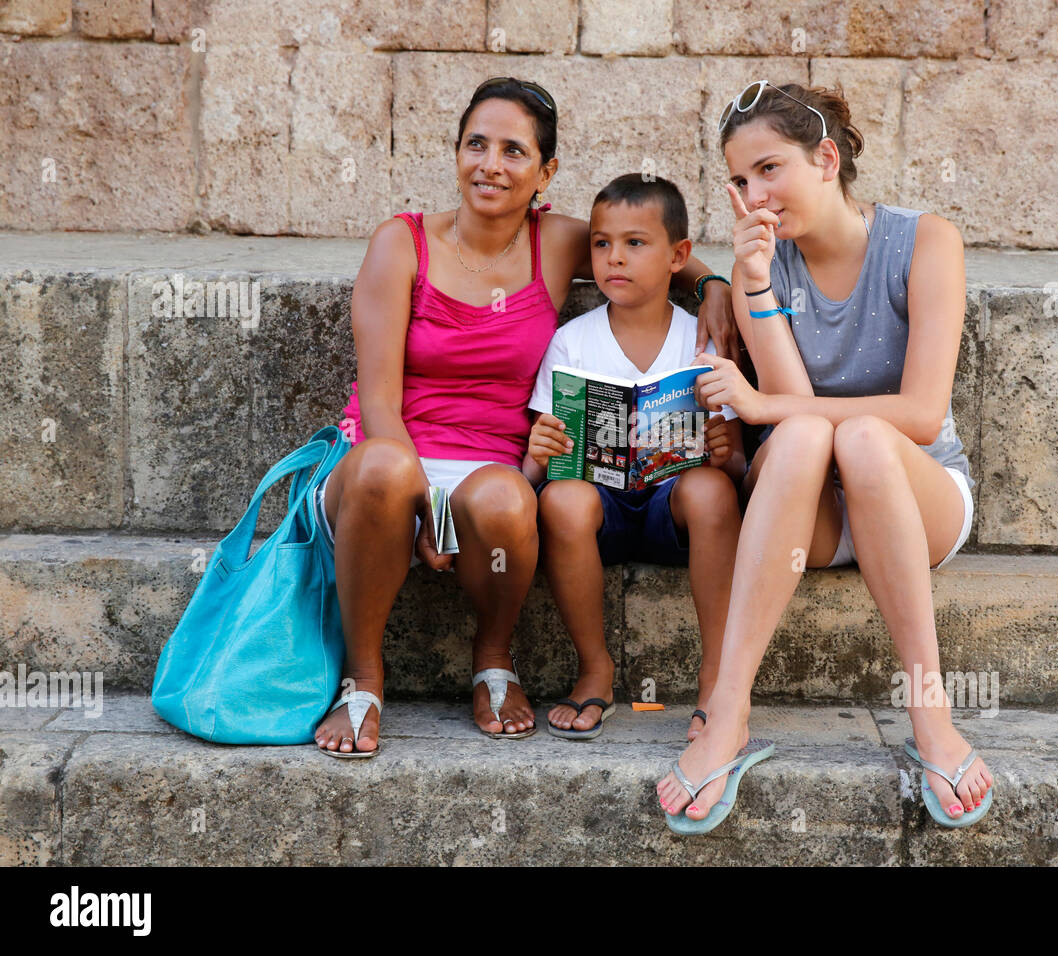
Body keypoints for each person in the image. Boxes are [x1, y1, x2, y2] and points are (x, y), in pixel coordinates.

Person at [311, 77, 739, 756]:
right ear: (457, 153)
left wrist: (713, 285)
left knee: (513, 499)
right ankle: (362, 678)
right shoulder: (403, 243)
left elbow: (656, 249)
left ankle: (493, 660)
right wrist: (429, 506)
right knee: (387, 467)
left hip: (493, 466)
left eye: (514, 151)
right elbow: (379, 401)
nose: (491, 164)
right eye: (476, 144)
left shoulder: (561, 242)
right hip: (389, 457)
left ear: (545, 172)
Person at [657, 81, 993, 827]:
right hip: (807, 510)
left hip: (915, 492)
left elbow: (920, 412)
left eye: (769, 170)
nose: (754, 199)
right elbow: (790, 412)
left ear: (826, 158)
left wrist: (770, 407)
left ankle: (930, 713)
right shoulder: (759, 268)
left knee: (867, 436)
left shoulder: (926, 242)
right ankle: (730, 711)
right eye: (740, 182)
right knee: (809, 433)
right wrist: (749, 286)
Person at [526, 174, 746, 742]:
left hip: (673, 510)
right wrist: (540, 453)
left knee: (713, 489)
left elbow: (740, 469)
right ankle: (595, 666)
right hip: (600, 512)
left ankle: (717, 675)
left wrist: (725, 456)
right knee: (562, 498)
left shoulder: (703, 342)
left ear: (679, 256)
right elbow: (541, 464)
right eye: (601, 244)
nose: (613, 258)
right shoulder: (572, 340)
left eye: (635, 243)